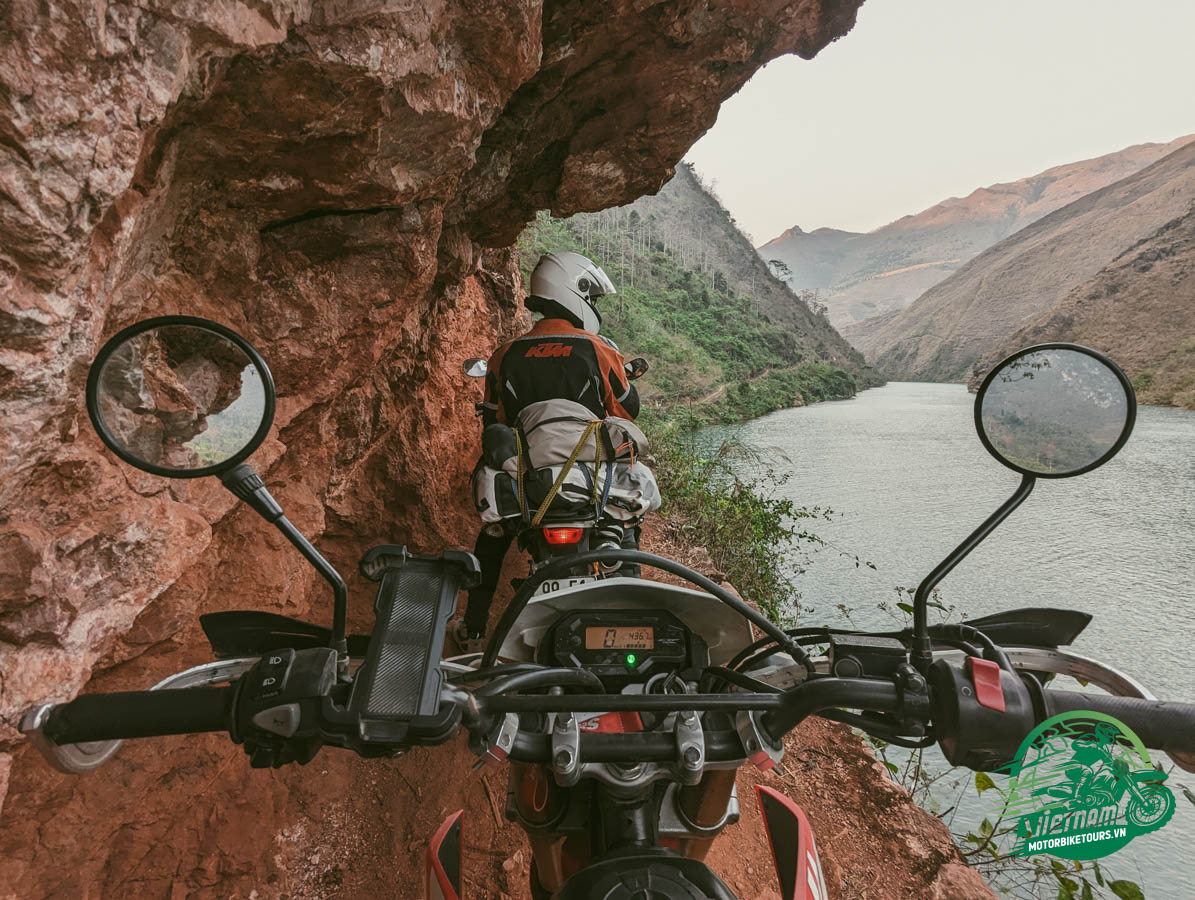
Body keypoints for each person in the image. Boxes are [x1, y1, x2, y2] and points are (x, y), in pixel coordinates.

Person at [455, 251, 641, 651]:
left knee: (493, 536)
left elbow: (495, 421)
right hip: (589, 484)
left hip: (530, 485)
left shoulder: (506, 354)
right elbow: (627, 410)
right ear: (577, 293)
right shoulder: (598, 349)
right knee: (626, 526)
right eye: (591, 298)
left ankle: (473, 626)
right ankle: (634, 615)